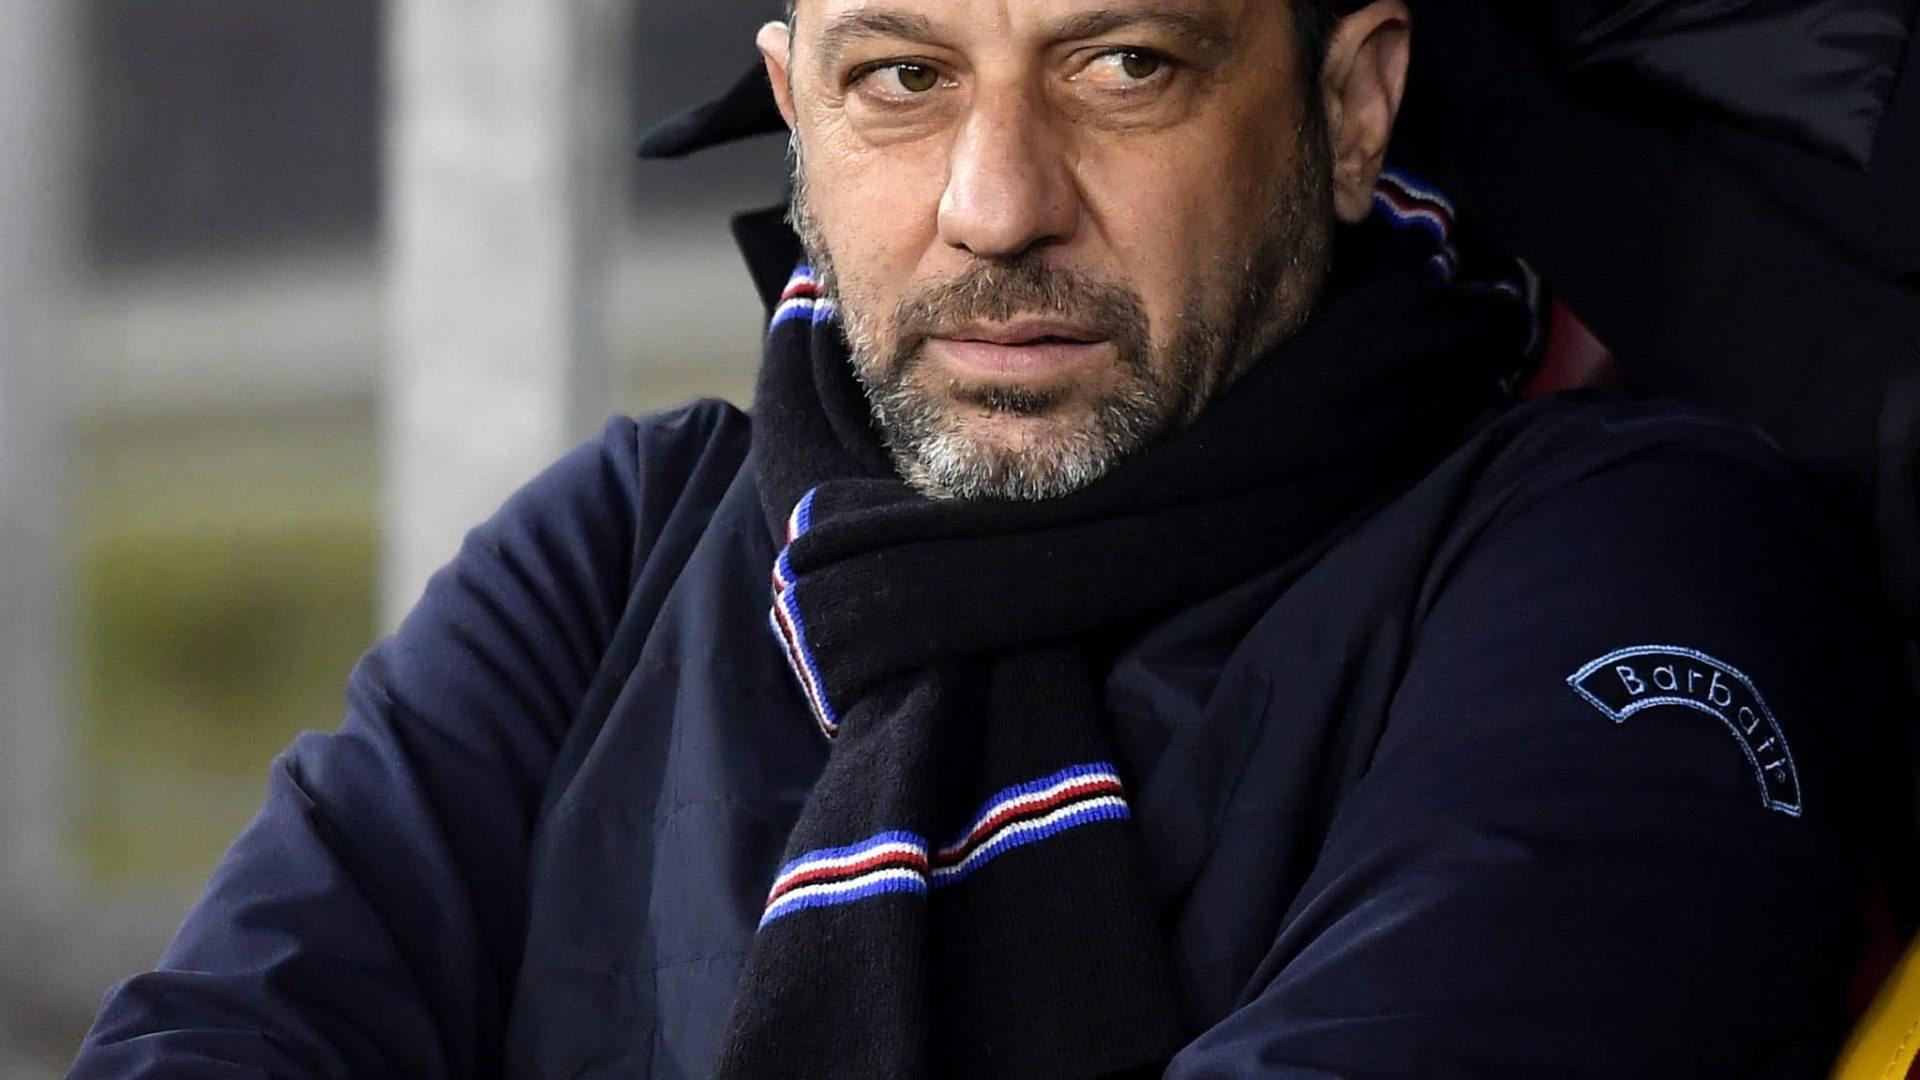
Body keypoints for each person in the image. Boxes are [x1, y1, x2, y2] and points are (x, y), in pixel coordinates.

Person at [71, 0, 1889, 1075]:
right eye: (901, 77)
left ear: (1351, 108)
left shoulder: (1630, 568)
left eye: (1123, 64)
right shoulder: (619, 553)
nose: (997, 203)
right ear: (795, 108)